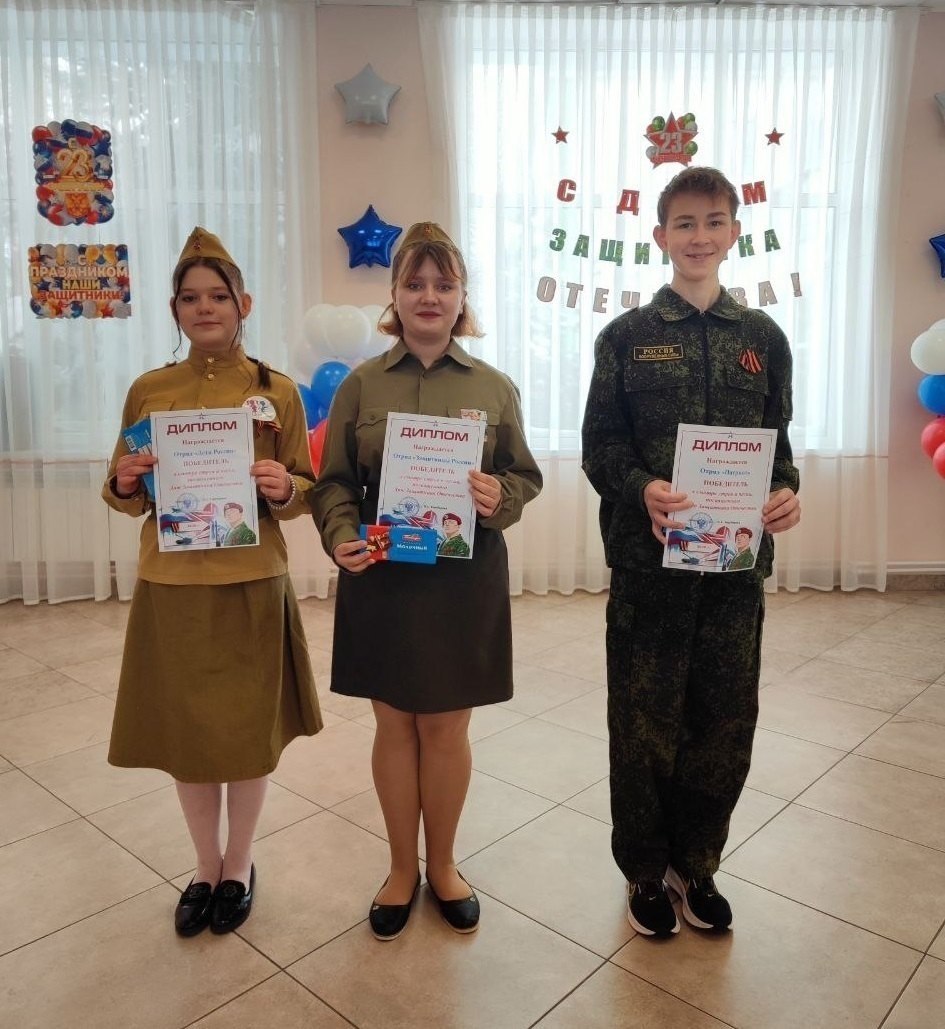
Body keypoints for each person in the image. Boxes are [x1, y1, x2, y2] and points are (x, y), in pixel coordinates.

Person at [581, 167, 800, 938]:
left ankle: (696, 863)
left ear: (733, 232)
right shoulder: (625, 338)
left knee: (722, 721)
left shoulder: (762, 340)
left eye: (712, 222)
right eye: (684, 223)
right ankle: (645, 869)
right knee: (642, 723)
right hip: (649, 571)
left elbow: (779, 450)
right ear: (660, 236)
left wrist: (785, 492)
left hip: (732, 574)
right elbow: (600, 448)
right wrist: (640, 487)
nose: (698, 236)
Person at [311, 222, 542, 941]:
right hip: (383, 577)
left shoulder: (493, 387)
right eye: (415, 282)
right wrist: (340, 535)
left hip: (461, 583)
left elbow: (524, 476)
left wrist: (497, 496)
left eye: (444, 283)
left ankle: (442, 864)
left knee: (444, 726)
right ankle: (398, 869)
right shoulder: (361, 384)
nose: (429, 295)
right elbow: (333, 482)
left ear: (462, 295)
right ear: (395, 294)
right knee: (393, 723)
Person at [103, 227, 322, 937]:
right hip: (171, 581)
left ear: (243, 304)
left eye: (218, 296)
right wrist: (125, 479)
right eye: (191, 298)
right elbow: (120, 489)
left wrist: (285, 484)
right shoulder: (149, 391)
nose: (205, 308)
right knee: (189, 732)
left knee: (246, 731)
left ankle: (239, 863)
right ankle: (204, 866)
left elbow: (308, 486)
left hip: (251, 577)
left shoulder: (276, 391)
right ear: (174, 309)